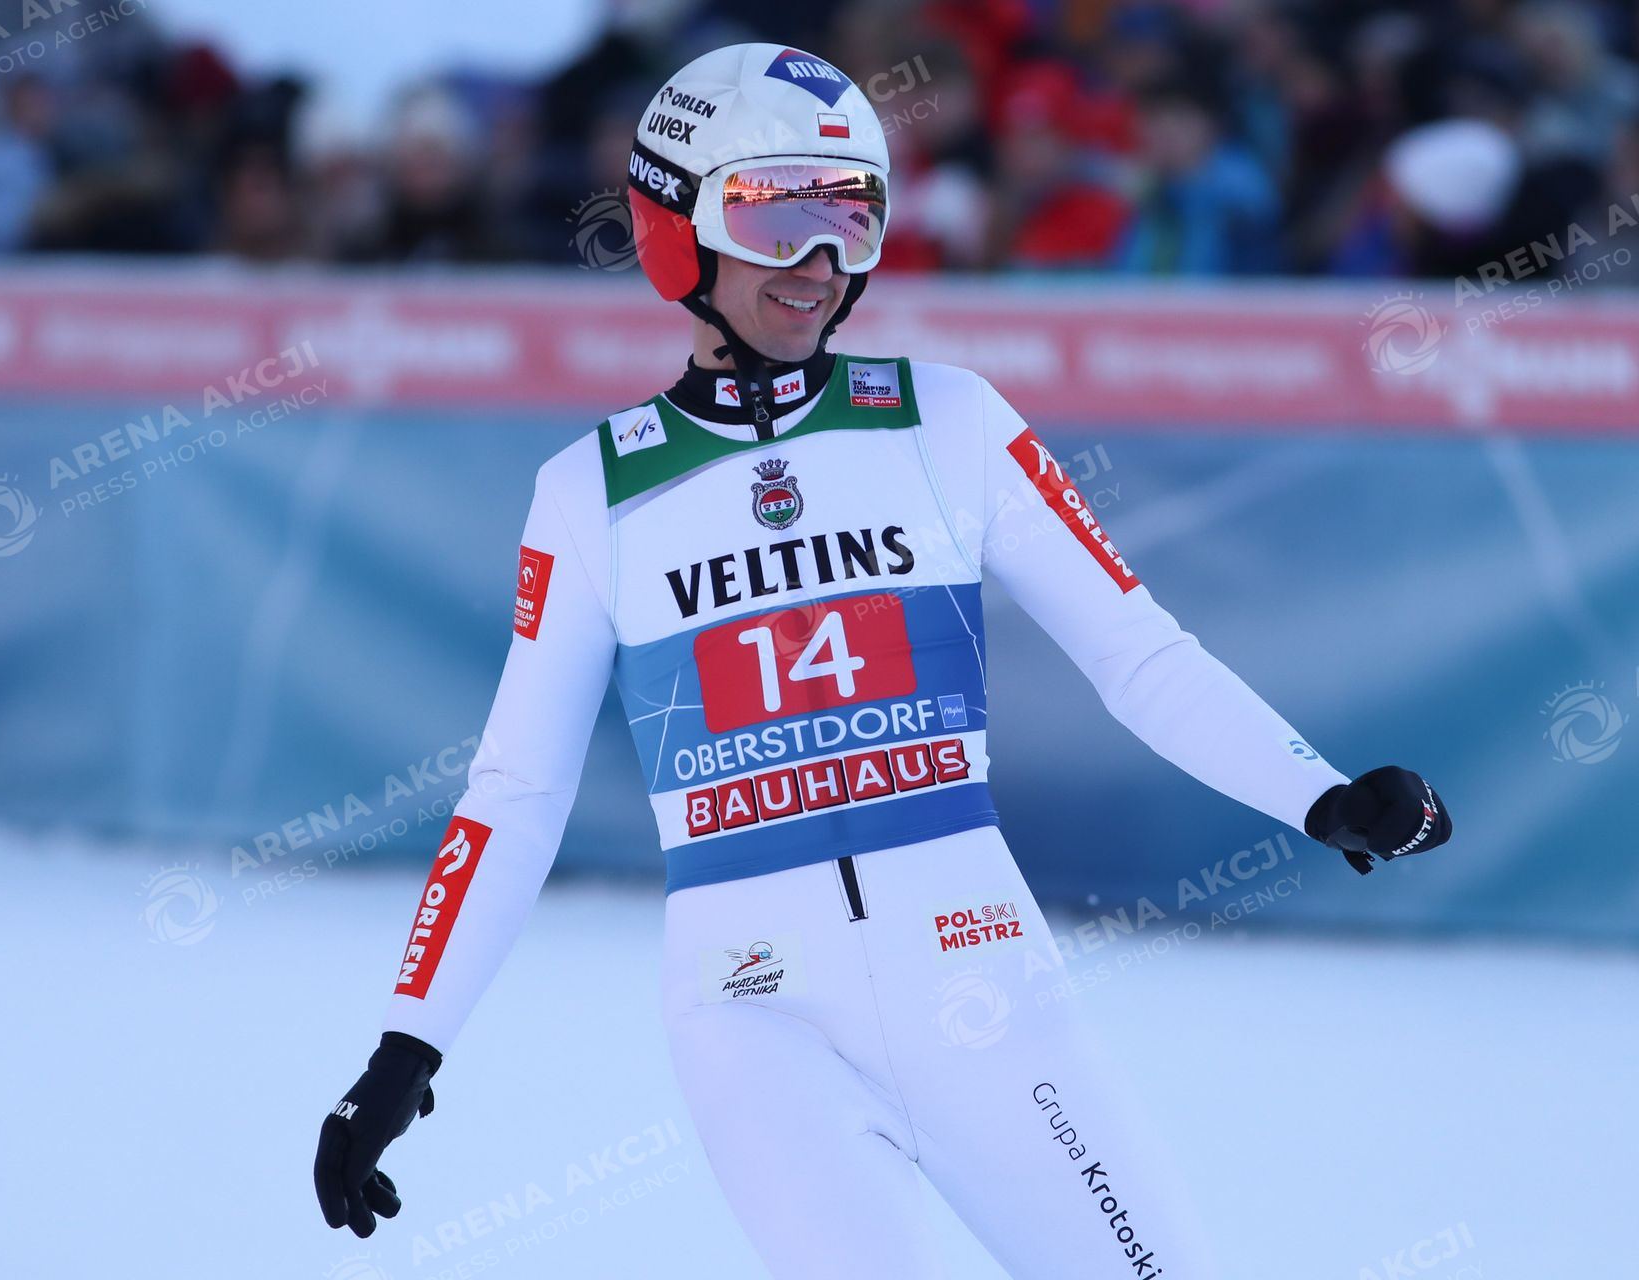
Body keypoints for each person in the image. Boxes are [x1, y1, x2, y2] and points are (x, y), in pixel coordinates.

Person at [313, 42, 1452, 1278]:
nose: (819, 262)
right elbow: (516, 794)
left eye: (852, 217)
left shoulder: (950, 420)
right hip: (755, 1021)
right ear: (677, 229)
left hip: (983, 982)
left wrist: (1319, 794)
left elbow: (1138, 653)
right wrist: (407, 1043)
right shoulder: (590, 494)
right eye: (779, 216)